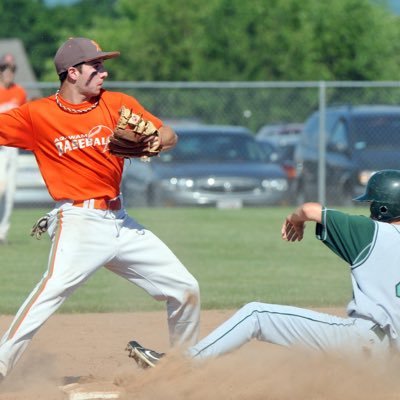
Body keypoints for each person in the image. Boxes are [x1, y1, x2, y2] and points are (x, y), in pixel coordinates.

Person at [0, 37, 200, 381]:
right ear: (72, 73)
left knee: (185, 289)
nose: (104, 72)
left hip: (121, 222)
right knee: (51, 291)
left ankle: (181, 368)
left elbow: (169, 133)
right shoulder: (38, 115)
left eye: (103, 65)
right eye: (97, 66)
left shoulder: (117, 104)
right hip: (77, 220)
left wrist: (157, 139)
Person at [128, 169, 400, 368]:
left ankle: (179, 367)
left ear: (382, 208)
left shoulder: (370, 232)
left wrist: (296, 220)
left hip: (364, 343)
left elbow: (310, 209)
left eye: (371, 204)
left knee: (256, 314)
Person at [0, 53, 27, 244]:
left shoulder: (20, 92)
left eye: (11, 69)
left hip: (12, 148)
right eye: (4, 69)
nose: (8, 73)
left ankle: (2, 233)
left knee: (10, 192)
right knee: (0, 188)